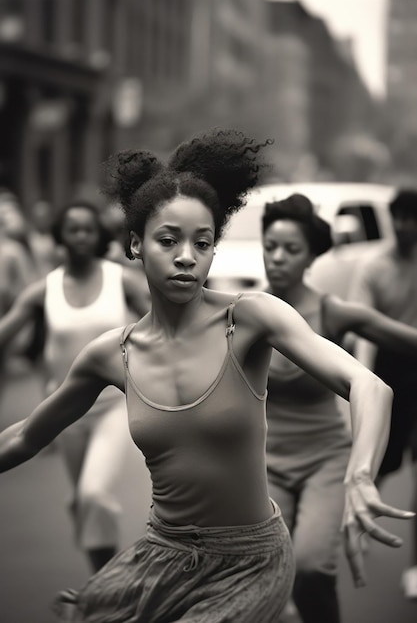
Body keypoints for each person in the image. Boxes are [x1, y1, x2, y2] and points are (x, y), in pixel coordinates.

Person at [0, 129, 413, 623]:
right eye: (168, 240)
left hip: (252, 560)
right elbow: (25, 435)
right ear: (135, 244)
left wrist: (361, 475)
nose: (185, 257)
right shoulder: (110, 355)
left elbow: (369, 385)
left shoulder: (253, 317)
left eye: (203, 242)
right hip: (161, 554)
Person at [260, 193, 417, 623]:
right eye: (270, 246)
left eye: (291, 250)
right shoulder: (249, 312)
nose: (277, 258)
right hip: (264, 462)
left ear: (311, 256)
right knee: (268, 571)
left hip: (324, 461)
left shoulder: (332, 312)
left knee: (311, 568)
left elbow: (403, 339)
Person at [0, 198, 150, 573]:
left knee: (93, 493)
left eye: (88, 229)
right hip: (65, 410)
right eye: (73, 229)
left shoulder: (122, 281)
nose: (82, 236)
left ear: (99, 234)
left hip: (114, 405)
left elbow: (165, 321)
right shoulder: (42, 290)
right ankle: (105, 582)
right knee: (83, 500)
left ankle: (113, 588)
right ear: (60, 238)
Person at [348, 188, 417, 601]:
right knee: (386, 462)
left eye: (413, 217)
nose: (406, 225)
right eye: (400, 217)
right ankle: (361, 509)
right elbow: (365, 332)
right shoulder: (373, 267)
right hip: (388, 372)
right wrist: (363, 382)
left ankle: (414, 567)